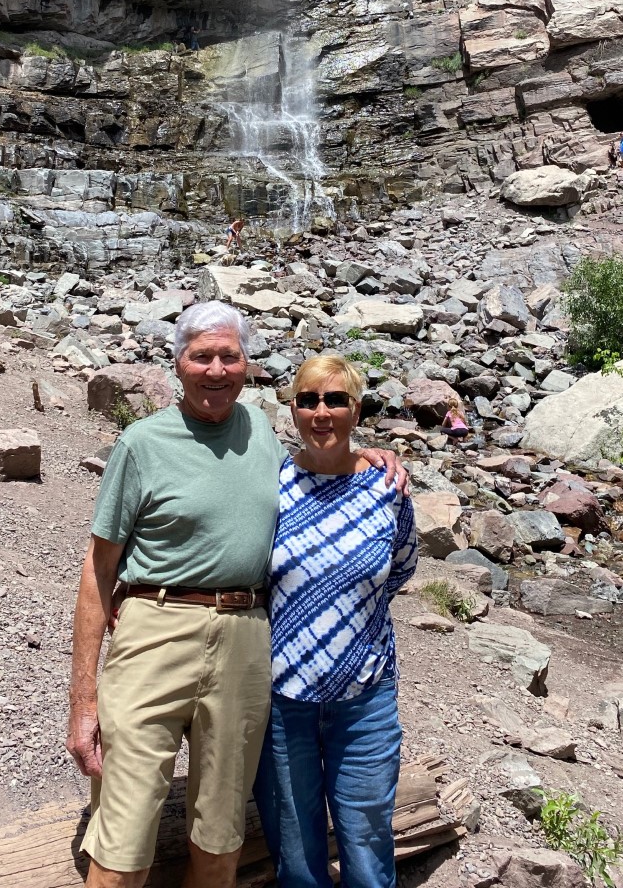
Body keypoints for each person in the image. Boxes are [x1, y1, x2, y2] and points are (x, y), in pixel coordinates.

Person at [66, 302, 405, 888]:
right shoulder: (142, 442)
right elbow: (97, 573)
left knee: (221, 834)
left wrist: (374, 455)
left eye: (230, 356)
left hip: (248, 640)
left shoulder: (264, 439)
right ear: (178, 363)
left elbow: (327, 461)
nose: (216, 370)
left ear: (248, 365)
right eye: (202, 357)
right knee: (124, 835)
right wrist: (83, 704)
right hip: (155, 627)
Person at [253, 355, 417, 888]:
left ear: (357, 409)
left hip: (364, 698)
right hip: (282, 700)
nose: (321, 413)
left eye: (335, 400)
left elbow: (400, 571)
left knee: (368, 844)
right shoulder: (268, 485)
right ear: (292, 408)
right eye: (308, 400)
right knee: (297, 852)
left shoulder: (386, 488)